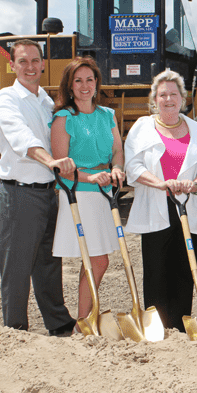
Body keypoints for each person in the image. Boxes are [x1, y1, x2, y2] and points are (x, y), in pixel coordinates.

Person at [0, 39, 77, 336]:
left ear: (43, 64)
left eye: (34, 61)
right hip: (20, 194)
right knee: (17, 267)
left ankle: (59, 324)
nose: (30, 67)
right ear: (13, 65)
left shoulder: (45, 100)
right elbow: (22, 138)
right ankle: (15, 331)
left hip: (48, 194)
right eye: (23, 61)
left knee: (49, 264)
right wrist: (52, 162)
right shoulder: (6, 99)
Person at [124, 70, 197, 332]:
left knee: (186, 269)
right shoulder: (142, 127)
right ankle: (156, 328)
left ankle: (179, 326)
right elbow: (133, 166)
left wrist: (196, 184)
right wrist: (161, 183)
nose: (168, 99)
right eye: (162, 94)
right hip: (156, 205)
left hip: (188, 206)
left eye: (173, 94)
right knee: (155, 269)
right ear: (154, 99)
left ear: (182, 98)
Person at [50, 56, 125, 328]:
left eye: (89, 80)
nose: (84, 86)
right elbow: (61, 167)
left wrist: (117, 169)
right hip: (78, 193)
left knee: (96, 259)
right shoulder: (63, 118)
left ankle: (86, 318)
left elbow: (117, 150)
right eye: (78, 81)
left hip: (104, 192)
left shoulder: (107, 115)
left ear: (97, 84)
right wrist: (91, 177)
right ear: (69, 87)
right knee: (98, 260)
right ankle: (84, 321)